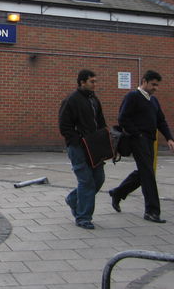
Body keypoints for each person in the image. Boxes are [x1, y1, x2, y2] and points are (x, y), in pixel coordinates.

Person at [108, 70, 174, 223]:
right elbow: (122, 118)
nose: (155, 88)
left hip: (149, 141)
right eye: (153, 84)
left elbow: (161, 121)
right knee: (148, 174)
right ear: (144, 81)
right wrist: (137, 134)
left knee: (145, 172)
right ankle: (152, 211)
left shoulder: (154, 101)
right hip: (138, 140)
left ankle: (118, 193)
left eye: (157, 85)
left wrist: (169, 138)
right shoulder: (132, 97)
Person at [58, 69, 107, 229]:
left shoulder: (94, 100)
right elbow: (64, 126)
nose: (95, 84)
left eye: (95, 81)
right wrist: (77, 140)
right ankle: (84, 217)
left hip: (95, 146)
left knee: (98, 179)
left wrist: (104, 138)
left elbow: (100, 122)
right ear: (82, 82)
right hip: (78, 147)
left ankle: (73, 199)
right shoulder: (71, 100)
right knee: (86, 181)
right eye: (92, 81)